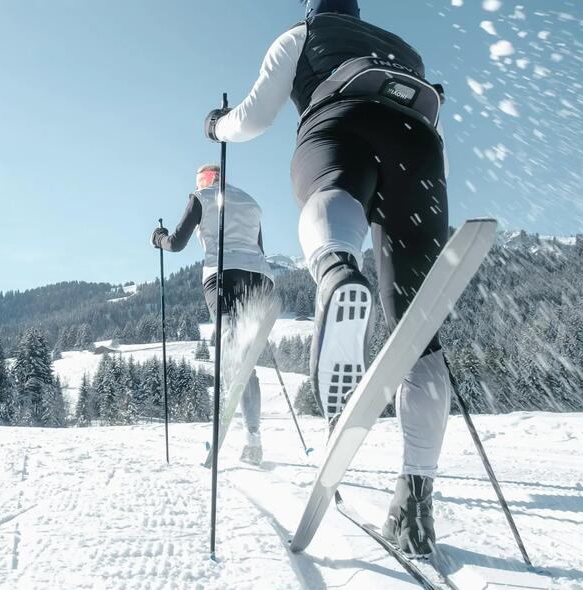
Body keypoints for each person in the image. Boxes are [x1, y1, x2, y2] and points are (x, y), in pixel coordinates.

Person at [203, 0, 455, 557]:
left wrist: (215, 125)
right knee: (419, 331)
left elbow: (255, 117)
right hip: (420, 143)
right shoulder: (401, 46)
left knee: (333, 189)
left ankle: (337, 268)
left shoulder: (304, 33)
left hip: (342, 120)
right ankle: (416, 500)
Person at [152, 163, 277, 467]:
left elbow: (177, 243)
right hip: (260, 278)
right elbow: (258, 249)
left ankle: (235, 401)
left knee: (230, 352)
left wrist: (159, 238)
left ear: (204, 179)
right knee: (246, 358)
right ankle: (253, 439)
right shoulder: (250, 201)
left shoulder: (201, 197)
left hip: (223, 276)